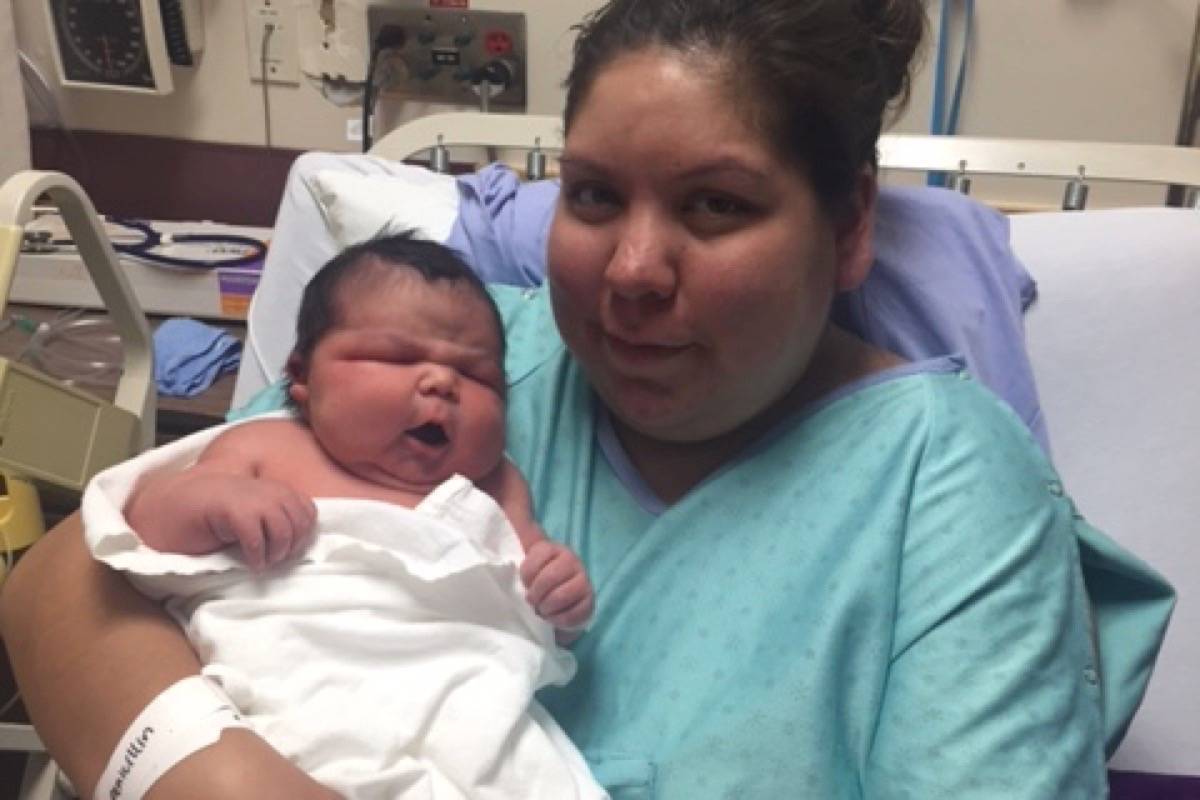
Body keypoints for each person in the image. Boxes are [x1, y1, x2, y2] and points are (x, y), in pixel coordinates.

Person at [0, 1, 1173, 798]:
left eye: (715, 206)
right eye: (597, 195)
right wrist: (222, 773)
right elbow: (71, 577)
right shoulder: (463, 352)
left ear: (850, 225)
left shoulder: (947, 481)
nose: (631, 272)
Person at [78, 233, 601, 798]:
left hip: (459, 697)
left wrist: (561, 599)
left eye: (478, 377)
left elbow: (529, 595)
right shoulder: (266, 447)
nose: (442, 382)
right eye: (397, 358)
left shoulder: (494, 482)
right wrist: (219, 502)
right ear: (302, 376)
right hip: (287, 689)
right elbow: (144, 529)